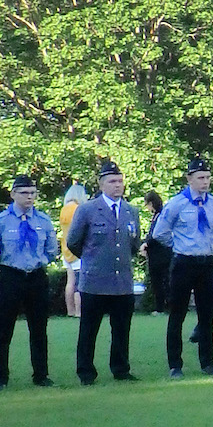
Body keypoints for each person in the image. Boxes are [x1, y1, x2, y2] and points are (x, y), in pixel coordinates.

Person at [67, 160, 143, 385]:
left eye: (120, 181)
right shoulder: (88, 210)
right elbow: (73, 242)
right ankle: (86, 372)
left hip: (122, 282)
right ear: (101, 184)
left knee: (121, 330)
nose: (117, 185)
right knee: (89, 330)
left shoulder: (131, 211)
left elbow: (133, 242)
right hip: (95, 282)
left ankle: (121, 369)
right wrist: (93, 260)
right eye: (112, 181)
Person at [152, 158, 213, 378]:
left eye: (208, 177)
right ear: (189, 179)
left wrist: (208, 245)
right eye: (201, 178)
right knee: (178, 314)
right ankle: (175, 364)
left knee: (206, 315)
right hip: (184, 262)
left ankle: (208, 362)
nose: (205, 182)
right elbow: (160, 233)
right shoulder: (177, 204)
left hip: (205, 263)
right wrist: (180, 245)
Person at [0, 175, 61, 389]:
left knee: (39, 328)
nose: (29, 197)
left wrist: (40, 263)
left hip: (36, 277)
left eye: (32, 193)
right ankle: (0, 377)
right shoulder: (1, 221)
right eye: (24, 193)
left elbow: (52, 250)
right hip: (11, 276)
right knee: (3, 328)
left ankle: (41, 375)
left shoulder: (43, 220)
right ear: (13, 195)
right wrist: (5, 266)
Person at [59, 181, 88, 317]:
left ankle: (69, 311)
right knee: (79, 283)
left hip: (66, 250)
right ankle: (79, 311)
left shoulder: (64, 209)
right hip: (77, 251)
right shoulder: (77, 209)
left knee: (70, 282)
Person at [140, 191, 170, 314]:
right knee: (159, 281)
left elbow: (156, 234)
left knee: (159, 281)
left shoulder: (160, 216)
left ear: (151, 203)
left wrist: (146, 244)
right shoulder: (157, 215)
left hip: (160, 255)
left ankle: (161, 307)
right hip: (157, 254)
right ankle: (162, 306)